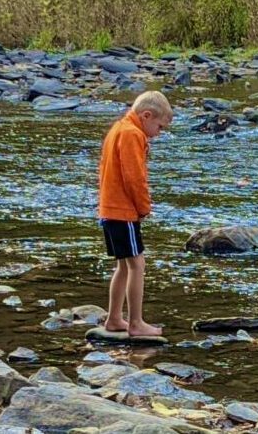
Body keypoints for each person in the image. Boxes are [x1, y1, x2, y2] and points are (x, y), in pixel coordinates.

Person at [97, 90, 174, 337]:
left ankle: (114, 319)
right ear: (146, 115)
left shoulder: (118, 128)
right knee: (137, 265)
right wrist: (144, 207)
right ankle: (136, 323)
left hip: (109, 208)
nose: (158, 133)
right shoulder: (132, 134)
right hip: (123, 210)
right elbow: (135, 178)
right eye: (159, 127)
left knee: (123, 265)